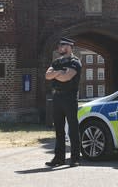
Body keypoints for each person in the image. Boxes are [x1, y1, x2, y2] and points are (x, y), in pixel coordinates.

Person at [45, 37, 82, 167]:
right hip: (57, 98)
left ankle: (75, 158)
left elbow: (67, 77)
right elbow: (47, 76)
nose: (59, 47)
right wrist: (60, 72)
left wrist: (56, 74)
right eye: (59, 45)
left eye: (62, 45)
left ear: (69, 46)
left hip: (70, 98)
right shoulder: (57, 62)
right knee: (59, 129)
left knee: (73, 129)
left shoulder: (75, 62)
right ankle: (59, 158)